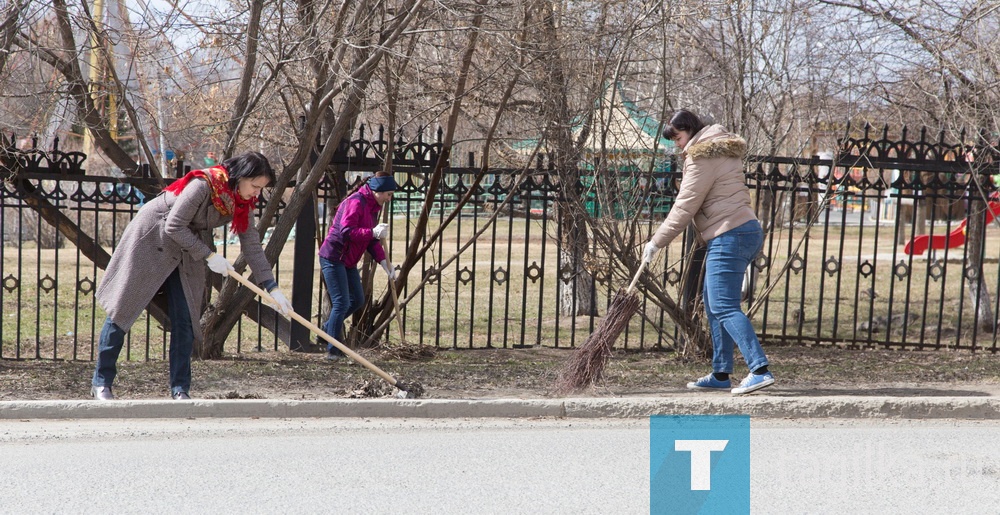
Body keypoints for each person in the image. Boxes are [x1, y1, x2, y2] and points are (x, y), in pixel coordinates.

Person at [91, 151, 292, 400]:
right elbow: (173, 225)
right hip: (153, 240)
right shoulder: (203, 184)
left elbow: (252, 246)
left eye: (261, 188)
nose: (257, 193)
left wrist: (272, 288)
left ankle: (180, 389)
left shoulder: (241, 203)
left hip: (187, 250)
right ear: (240, 177)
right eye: (255, 186)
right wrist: (209, 256)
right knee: (123, 310)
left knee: (185, 318)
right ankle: (102, 382)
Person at [643, 109, 774, 395]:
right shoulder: (718, 150)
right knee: (715, 304)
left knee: (724, 306)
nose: (676, 144)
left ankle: (759, 369)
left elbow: (685, 206)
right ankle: (721, 372)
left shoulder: (702, 157)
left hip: (730, 234)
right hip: (739, 231)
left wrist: (656, 242)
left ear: (689, 130)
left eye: (677, 137)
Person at [318, 172, 398, 360]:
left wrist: (385, 262)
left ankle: (328, 328)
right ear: (378, 191)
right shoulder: (356, 202)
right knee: (341, 302)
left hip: (348, 261)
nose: (389, 198)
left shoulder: (372, 207)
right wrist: (372, 232)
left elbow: (371, 241)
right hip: (333, 256)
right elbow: (346, 231)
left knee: (358, 300)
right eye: (388, 194)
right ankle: (333, 351)